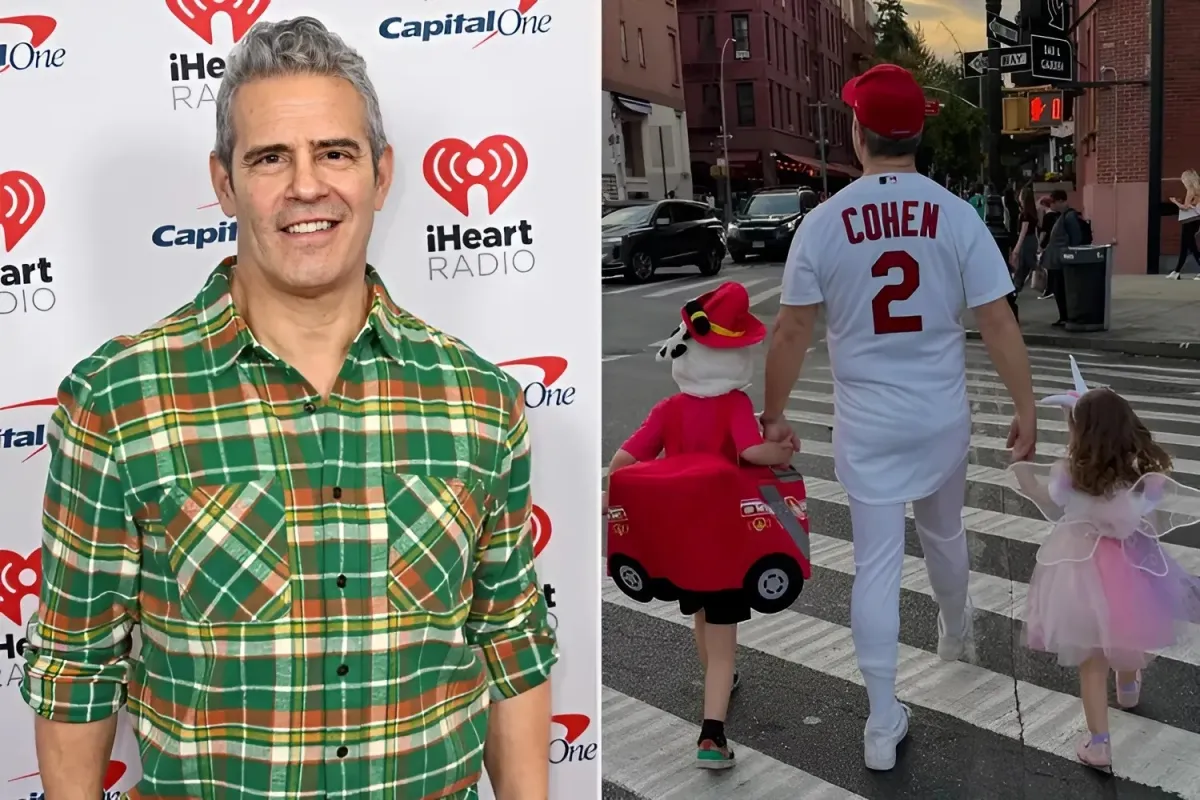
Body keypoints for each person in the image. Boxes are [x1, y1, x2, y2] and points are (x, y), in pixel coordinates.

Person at [22, 17, 556, 800]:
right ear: (225, 182)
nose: (307, 185)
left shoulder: (480, 399)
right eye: (271, 157)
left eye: (334, 153)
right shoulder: (118, 399)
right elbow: (75, 666)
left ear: (380, 174)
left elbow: (511, 641)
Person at [759, 63, 1038, 772]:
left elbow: (791, 332)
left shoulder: (822, 225)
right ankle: (955, 628)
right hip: (940, 416)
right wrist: (1027, 407)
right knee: (945, 531)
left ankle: (882, 721)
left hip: (868, 425)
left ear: (858, 132)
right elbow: (999, 322)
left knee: (876, 565)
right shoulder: (956, 215)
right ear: (918, 133)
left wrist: (774, 414)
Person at [607, 283, 796, 770]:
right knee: (724, 632)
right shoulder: (734, 405)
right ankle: (712, 734)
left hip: (678, 546)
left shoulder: (669, 409)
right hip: (726, 544)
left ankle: (718, 678)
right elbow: (752, 452)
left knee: (700, 616)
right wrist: (780, 451)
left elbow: (623, 462)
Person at [1008, 357, 1200, 770]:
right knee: (1127, 628)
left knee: (1091, 660)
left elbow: (1044, 497)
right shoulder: (1141, 477)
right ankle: (1128, 687)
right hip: (1129, 568)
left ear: (1081, 433)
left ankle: (1099, 744)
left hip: (1079, 574)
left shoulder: (1069, 476)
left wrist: (1022, 467)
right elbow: (1150, 505)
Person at [1042, 189, 1086, 327]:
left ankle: (1066, 316)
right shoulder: (1062, 216)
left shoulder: (1069, 216)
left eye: (1053, 202)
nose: (1052, 206)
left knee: (1061, 289)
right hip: (1057, 260)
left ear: (1061, 201)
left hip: (1062, 260)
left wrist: (1071, 255)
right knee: (1058, 289)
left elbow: (1075, 238)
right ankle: (1063, 316)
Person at [1165, 169, 1200, 279]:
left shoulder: (1190, 190)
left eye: (1183, 178)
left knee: (1192, 247)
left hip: (1189, 221)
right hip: (1195, 220)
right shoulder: (1198, 190)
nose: (1182, 180)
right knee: (1185, 247)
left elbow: (1185, 207)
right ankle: (1176, 272)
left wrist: (1175, 202)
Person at [1009, 186, 1040, 294]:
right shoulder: (1032, 213)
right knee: (1028, 264)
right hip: (1032, 240)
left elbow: (1023, 232)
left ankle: (1016, 287)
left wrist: (1016, 249)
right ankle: (1018, 285)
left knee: (1023, 265)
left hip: (1026, 241)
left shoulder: (1025, 215)